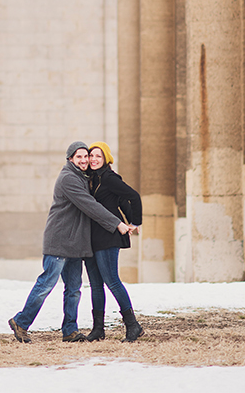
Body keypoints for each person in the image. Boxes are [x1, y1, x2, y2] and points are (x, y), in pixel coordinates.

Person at [8, 141, 131, 343]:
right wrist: (116, 223)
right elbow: (89, 204)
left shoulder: (82, 177)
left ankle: (70, 330)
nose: (84, 160)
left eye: (86, 156)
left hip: (75, 245)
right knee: (46, 284)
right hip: (59, 241)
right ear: (70, 159)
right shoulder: (68, 179)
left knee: (73, 289)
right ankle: (21, 322)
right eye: (79, 157)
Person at [83, 141, 144, 342]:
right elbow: (119, 201)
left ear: (106, 159)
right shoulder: (92, 178)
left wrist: (135, 222)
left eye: (98, 156)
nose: (93, 159)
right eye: (91, 155)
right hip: (92, 237)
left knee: (112, 281)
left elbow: (132, 196)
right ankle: (98, 329)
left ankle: (133, 325)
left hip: (108, 236)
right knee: (96, 285)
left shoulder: (109, 177)